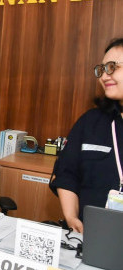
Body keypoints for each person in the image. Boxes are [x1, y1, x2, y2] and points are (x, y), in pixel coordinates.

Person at [50, 38, 123, 233]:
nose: (104, 75)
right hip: (89, 235)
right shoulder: (90, 121)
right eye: (102, 69)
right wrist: (72, 218)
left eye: (112, 67)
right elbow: (67, 174)